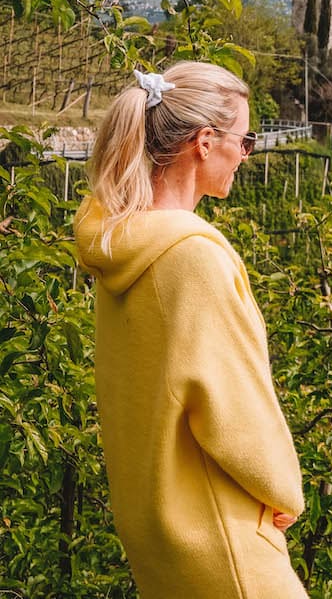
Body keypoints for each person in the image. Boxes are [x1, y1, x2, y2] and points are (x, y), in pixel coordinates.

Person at [74, 62, 308, 599]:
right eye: (245, 140)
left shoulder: (120, 247)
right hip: (223, 538)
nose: (247, 155)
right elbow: (236, 409)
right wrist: (284, 494)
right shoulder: (191, 257)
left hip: (160, 534)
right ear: (205, 142)